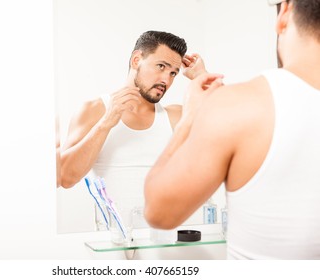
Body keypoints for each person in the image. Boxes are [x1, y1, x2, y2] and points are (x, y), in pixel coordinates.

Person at [144, 0, 320, 259]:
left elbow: (159, 211)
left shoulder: (237, 107)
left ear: (285, 11)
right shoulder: (236, 106)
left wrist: (191, 116)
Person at [59, 30, 206, 204]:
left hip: (165, 230)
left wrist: (201, 77)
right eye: (161, 66)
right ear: (136, 60)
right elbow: (65, 178)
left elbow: (231, 125)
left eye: (173, 73)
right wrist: (105, 124)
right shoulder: (94, 110)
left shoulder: (174, 116)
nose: (166, 80)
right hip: (113, 231)